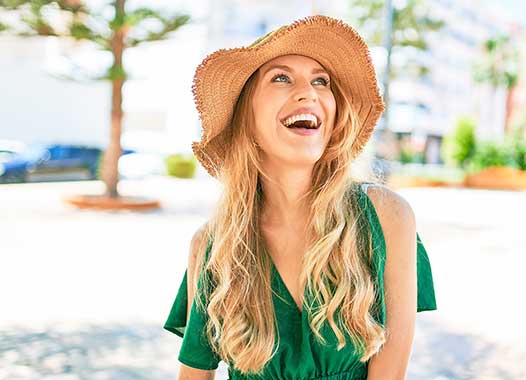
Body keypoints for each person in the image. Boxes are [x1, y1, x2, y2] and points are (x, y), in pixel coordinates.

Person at [164, 15, 437, 380]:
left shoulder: (386, 217)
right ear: (247, 117)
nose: (309, 92)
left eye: (321, 81)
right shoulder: (213, 245)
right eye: (281, 77)